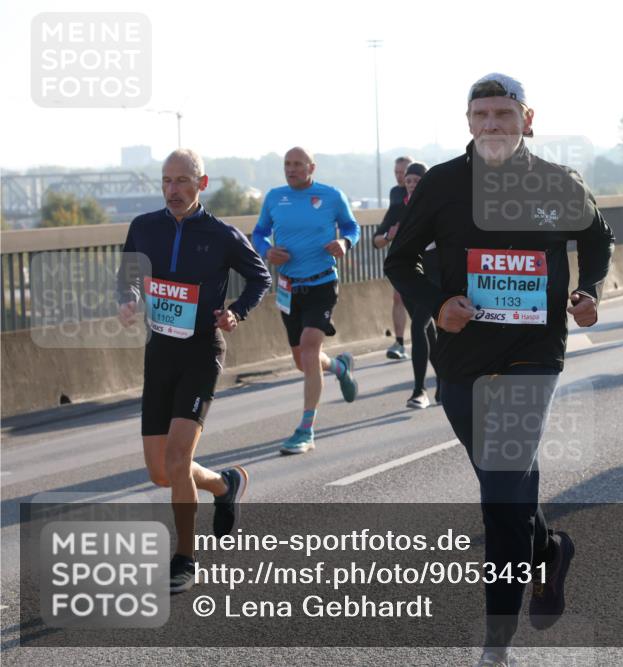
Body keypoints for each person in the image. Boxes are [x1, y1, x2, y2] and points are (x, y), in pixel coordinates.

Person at [385, 73, 614, 667]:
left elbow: (598, 238)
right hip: (461, 353)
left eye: (503, 115)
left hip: (533, 352)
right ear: (468, 122)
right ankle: (549, 548)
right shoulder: (441, 184)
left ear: (527, 119)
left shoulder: (556, 182)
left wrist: (588, 289)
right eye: (481, 115)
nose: (492, 125)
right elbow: (400, 259)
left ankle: (495, 644)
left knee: (500, 488)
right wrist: (437, 305)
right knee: (505, 487)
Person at [116, 149, 271, 593]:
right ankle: (224, 486)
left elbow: (259, 277)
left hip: (202, 352)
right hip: (159, 352)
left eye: (183, 181)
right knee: (161, 471)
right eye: (166, 181)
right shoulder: (144, 227)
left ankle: (185, 556)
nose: (173, 190)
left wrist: (236, 311)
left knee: (179, 456)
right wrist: (127, 299)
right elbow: (127, 274)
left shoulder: (221, 234)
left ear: (201, 185)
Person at [252, 147, 360, 455]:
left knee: (311, 347)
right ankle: (339, 368)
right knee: (304, 361)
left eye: (298, 164)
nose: (291, 169)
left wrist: (344, 241)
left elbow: (352, 227)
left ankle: (306, 429)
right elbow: (259, 233)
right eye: (287, 164)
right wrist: (266, 250)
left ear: (311, 167)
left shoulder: (331, 196)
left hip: (322, 283)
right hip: (288, 288)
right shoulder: (274, 197)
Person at [389, 161, 441, 409]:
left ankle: (420, 390)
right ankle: (445, 382)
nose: (410, 185)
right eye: (408, 181)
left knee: (419, 326)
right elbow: (378, 238)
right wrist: (389, 235)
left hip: (435, 273)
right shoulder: (401, 207)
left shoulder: (438, 204)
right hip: (410, 274)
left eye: (416, 181)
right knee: (429, 332)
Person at [376, 155, 414, 360]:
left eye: (404, 173)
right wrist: (386, 236)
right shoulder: (396, 193)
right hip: (403, 255)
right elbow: (389, 221)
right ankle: (399, 342)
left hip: (428, 255)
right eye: (397, 173)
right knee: (398, 297)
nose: (400, 177)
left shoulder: (427, 192)